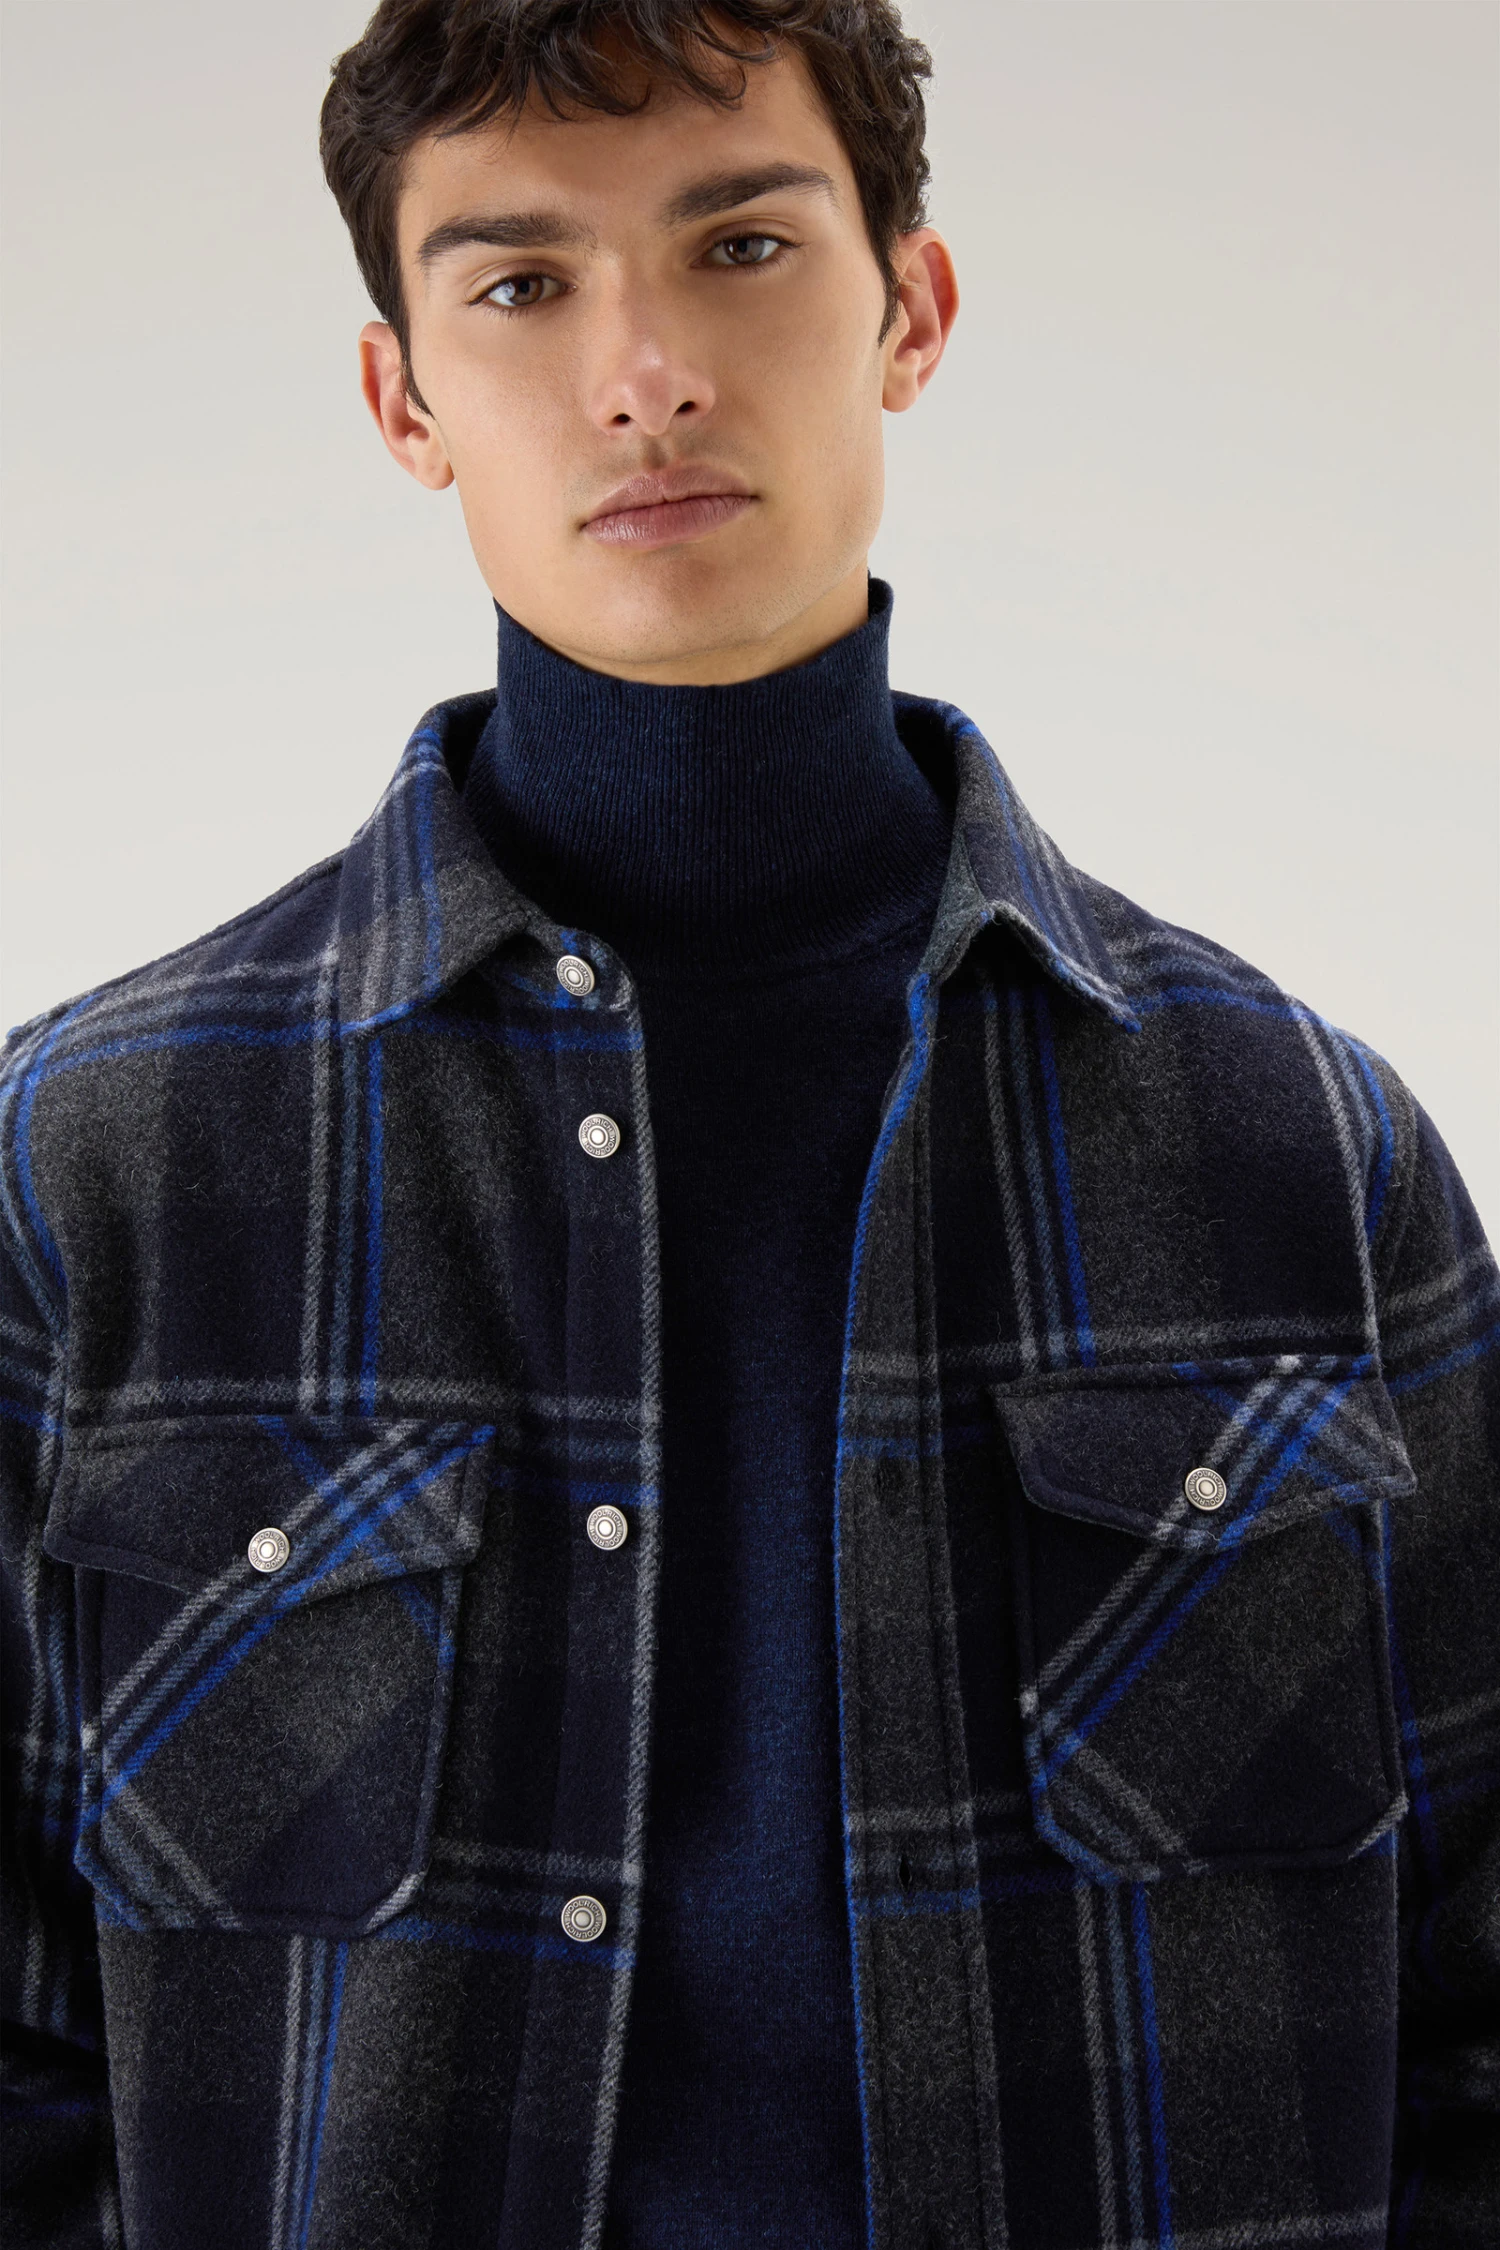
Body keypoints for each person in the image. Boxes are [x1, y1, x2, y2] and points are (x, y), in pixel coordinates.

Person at [2, 2, 1495, 2244]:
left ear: (913, 308)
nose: (646, 375)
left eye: (743, 248)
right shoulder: (93, 1171)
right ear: (403, 400)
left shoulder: (1304, 1152)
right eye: (523, 284)